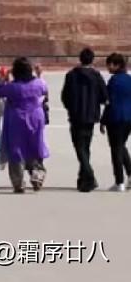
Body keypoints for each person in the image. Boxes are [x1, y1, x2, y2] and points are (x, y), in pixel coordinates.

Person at [0, 57, 50, 193]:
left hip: (17, 119)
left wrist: (4, 77)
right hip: (36, 117)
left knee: (16, 149)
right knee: (35, 146)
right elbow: (45, 89)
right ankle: (37, 175)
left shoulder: (13, 87)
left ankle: (18, 182)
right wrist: (39, 74)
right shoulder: (38, 83)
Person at [61, 48, 108, 192]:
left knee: (80, 147)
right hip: (90, 116)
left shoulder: (71, 75)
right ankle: (83, 180)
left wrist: (71, 108)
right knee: (85, 147)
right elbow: (104, 96)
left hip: (76, 116)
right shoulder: (96, 76)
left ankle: (89, 176)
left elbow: (65, 96)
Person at [102, 52, 131, 193]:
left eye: (110, 64)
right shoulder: (129, 79)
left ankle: (119, 182)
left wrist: (102, 120)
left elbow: (109, 102)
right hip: (128, 118)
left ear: (117, 65)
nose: (108, 67)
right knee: (121, 146)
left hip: (115, 118)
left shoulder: (114, 81)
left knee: (116, 150)